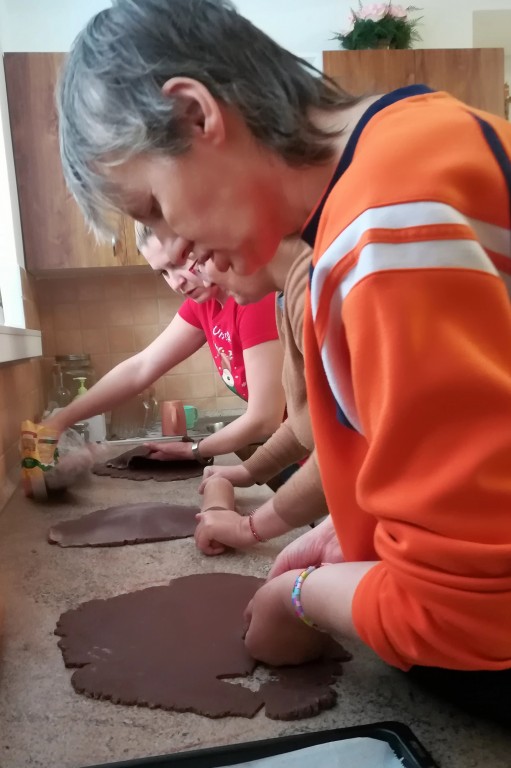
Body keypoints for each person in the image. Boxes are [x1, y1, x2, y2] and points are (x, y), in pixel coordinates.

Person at [57, 0, 511, 724]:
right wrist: (356, 532)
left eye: (154, 208)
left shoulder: (383, 231)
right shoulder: (416, 140)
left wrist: (297, 601)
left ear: (195, 115)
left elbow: (470, 618)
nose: (176, 251)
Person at [44, 224, 286, 465]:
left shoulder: (255, 300)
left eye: (178, 263)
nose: (175, 283)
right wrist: (59, 422)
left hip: (306, 451)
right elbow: (141, 367)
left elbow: (265, 419)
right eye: (163, 273)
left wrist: (194, 450)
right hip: (295, 447)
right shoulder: (205, 305)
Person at [194, 237, 329, 556]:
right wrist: (248, 472)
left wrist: (249, 528)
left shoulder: (318, 287)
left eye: (204, 256)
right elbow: (307, 419)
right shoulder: (286, 296)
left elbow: (347, 448)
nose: (205, 274)